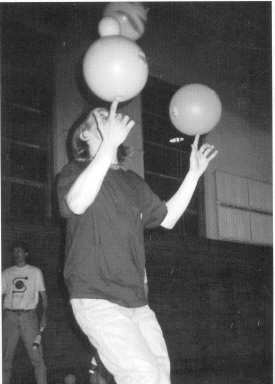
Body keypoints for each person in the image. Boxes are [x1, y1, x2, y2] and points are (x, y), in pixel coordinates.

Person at [57, 99, 218, 384]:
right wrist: (107, 148)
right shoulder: (73, 173)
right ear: (85, 134)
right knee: (143, 376)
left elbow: (167, 218)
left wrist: (194, 174)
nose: (111, 115)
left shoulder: (133, 182)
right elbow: (77, 203)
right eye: (101, 115)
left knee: (159, 376)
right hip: (96, 297)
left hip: (137, 303)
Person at [2, 240, 48, 384]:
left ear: (26, 253)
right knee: (4, 358)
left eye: (19, 250)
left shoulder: (35, 272)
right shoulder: (6, 273)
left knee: (37, 358)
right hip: (10, 317)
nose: (16, 253)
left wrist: (44, 316)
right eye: (14, 251)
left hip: (29, 318)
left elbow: (44, 297)